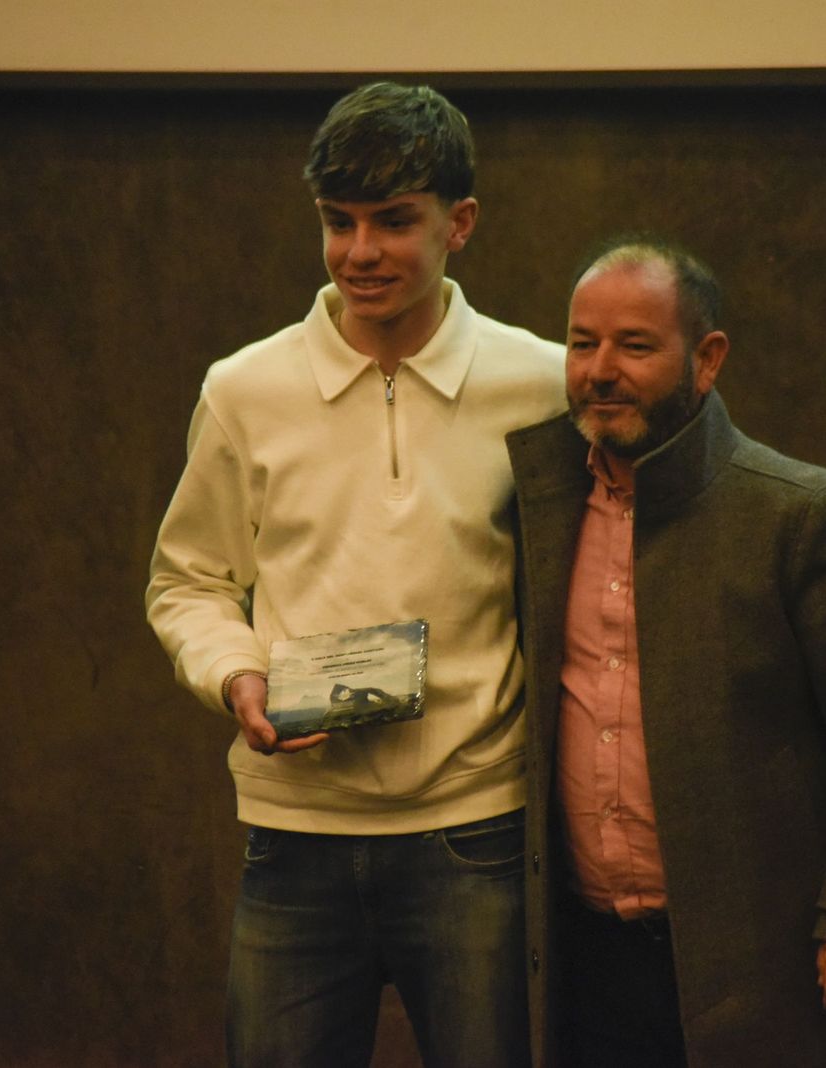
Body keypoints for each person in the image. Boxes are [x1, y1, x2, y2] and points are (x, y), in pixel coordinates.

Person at [145, 82, 564, 1068]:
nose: (360, 251)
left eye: (393, 221)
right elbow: (188, 582)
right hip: (295, 836)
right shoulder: (245, 389)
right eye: (338, 222)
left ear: (459, 223)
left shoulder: (542, 383)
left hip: (477, 830)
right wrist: (235, 677)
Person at [505, 239, 826, 1067]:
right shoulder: (537, 506)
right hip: (583, 965)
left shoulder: (806, 516)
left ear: (706, 360)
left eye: (635, 346)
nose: (600, 370)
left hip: (757, 965)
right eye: (581, 344)